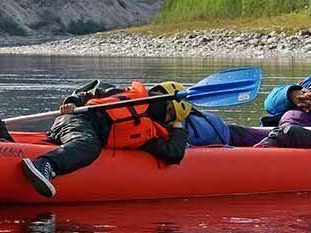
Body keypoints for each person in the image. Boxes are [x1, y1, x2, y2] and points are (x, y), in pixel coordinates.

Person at [20, 80, 188, 198]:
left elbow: (173, 154)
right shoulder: (126, 93)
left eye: (170, 119)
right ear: (163, 100)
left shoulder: (148, 134)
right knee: (88, 146)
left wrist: (178, 128)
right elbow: (88, 92)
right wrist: (73, 102)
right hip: (79, 120)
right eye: (170, 114)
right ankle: (45, 164)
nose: (165, 120)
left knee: (88, 144)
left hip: (79, 132)